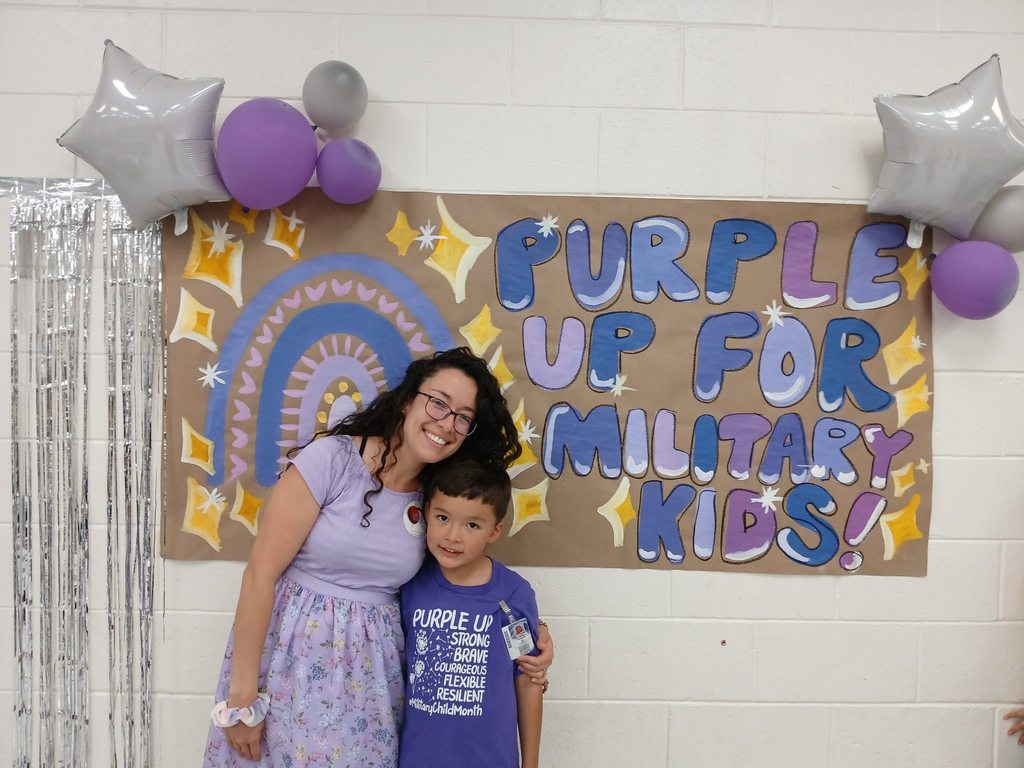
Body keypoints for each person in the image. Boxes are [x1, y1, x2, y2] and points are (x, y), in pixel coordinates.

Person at [203, 347, 553, 767]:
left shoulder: (438, 498)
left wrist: (529, 629)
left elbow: (458, 577)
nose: (447, 423)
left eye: (463, 416)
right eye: (438, 403)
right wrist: (242, 696)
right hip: (289, 663)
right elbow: (260, 574)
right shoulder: (332, 460)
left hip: (371, 680)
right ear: (408, 400)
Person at [398, 460, 543, 768]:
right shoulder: (409, 585)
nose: (453, 536)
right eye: (442, 518)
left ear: (495, 531)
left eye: (472, 525)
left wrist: (531, 763)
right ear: (426, 515)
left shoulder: (513, 595)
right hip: (417, 759)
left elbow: (528, 679)